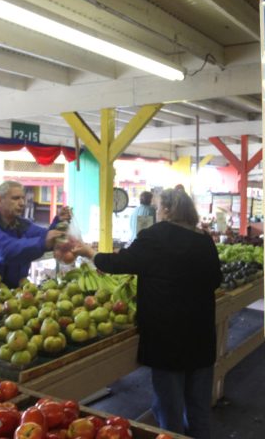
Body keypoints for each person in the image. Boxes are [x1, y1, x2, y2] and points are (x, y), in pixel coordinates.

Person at [75, 188, 222, 438]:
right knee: (198, 409)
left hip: (167, 336)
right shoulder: (204, 240)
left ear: (167, 210)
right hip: (200, 333)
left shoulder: (155, 236)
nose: (156, 212)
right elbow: (216, 280)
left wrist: (89, 252)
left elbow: (120, 264)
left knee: (170, 409)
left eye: (158, 207)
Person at [0, 180, 70, 288]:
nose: (22, 203)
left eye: (23, 198)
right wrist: (43, 242)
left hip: (12, 294)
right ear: (0, 200)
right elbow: (5, 251)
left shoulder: (22, 225)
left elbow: (44, 236)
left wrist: (58, 222)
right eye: (16, 198)